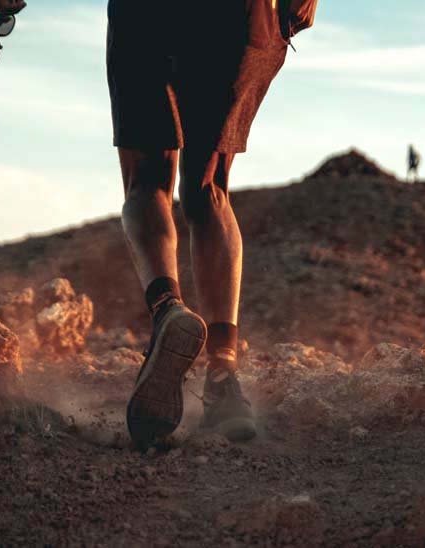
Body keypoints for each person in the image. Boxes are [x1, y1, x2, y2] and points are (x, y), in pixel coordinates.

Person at [104, 0, 294, 449]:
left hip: (147, 13)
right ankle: (223, 375)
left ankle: (168, 307)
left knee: (147, 179)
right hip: (243, 13)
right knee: (209, 190)